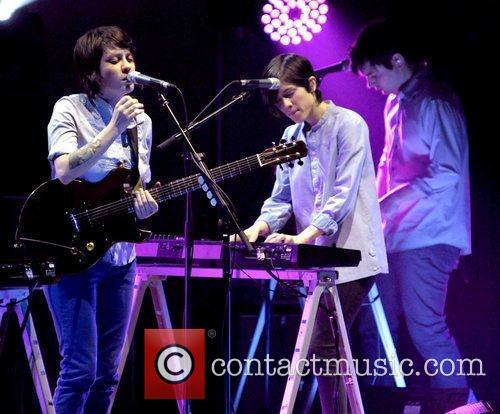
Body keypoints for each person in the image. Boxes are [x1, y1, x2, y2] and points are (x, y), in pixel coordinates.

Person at [241, 53, 388, 413]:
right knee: (325, 345)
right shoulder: (290, 135)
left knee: (324, 343)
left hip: (352, 254)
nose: (287, 105)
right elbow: (280, 199)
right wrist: (256, 229)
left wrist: (304, 236)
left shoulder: (349, 124)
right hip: (315, 257)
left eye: (291, 94)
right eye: (279, 101)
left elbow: (343, 193)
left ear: (312, 84)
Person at [350, 20, 471, 392]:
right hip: (395, 235)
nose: (370, 84)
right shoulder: (393, 104)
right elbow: (389, 165)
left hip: (430, 234)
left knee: (425, 328)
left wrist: (388, 203)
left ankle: (461, 401)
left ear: (398, 60)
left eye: (373, 73)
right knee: (378, 326)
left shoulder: (435, 101)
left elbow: (447, 172)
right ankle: (384, 398)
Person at [45, 26, 159, 413]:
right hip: (72, 251)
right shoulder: (69, 107)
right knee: (80, 370)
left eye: (129, 58)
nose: (127, 67)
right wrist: (114, 127)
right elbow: (63, 170)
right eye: (114, 60)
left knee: (109, 374)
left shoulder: (143, 121)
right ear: (94, 72)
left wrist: (143, 204)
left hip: (120, 256)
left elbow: (136, 183)